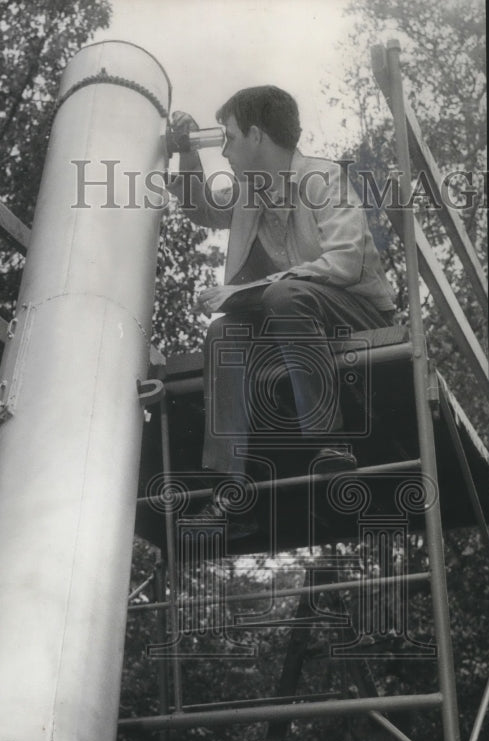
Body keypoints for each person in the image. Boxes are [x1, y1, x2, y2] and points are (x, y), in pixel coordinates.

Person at [168, 86, 396, 491]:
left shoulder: (325, 178)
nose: (224, 153)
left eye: (230, 139)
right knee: (224, 332)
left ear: (256, 136)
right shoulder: (248, 193)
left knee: (283, 295)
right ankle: (229, 484)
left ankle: (332, 441)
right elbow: (201, 208)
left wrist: (246, 291)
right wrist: (187, 152)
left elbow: (345, 262)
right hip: (294, 322)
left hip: (356, 315)